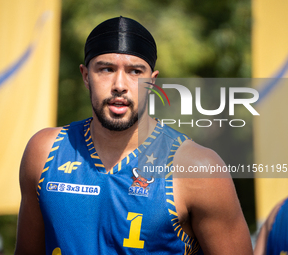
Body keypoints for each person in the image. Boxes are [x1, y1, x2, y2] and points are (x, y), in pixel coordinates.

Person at [14, 16, 252, 255]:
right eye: (106, 69)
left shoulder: (197, 169)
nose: (120, 84)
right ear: (86, 76)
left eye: (135, 71)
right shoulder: (45, 151)